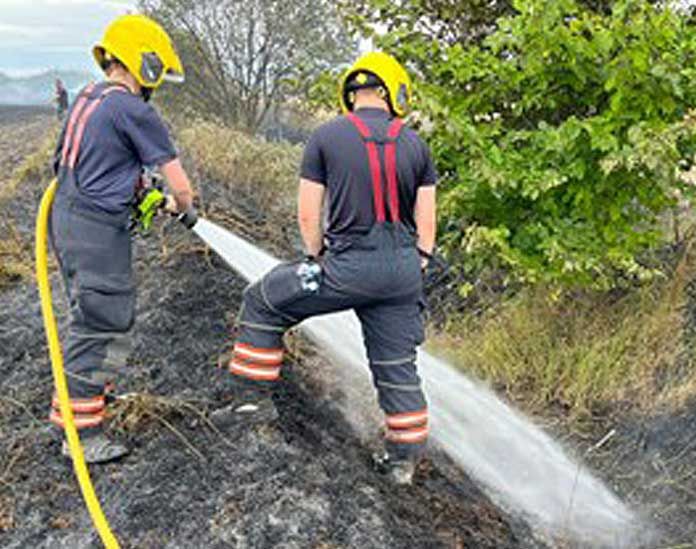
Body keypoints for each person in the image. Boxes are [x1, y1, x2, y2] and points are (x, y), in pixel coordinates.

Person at [220, 51, 437, 485]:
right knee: (396, 363)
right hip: (402, 274)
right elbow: (427, 221)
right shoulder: (416, 144)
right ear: (394, 92)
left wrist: (318, 257)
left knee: (262, 300)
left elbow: (307, 214)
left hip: (345, 268)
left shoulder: (326, 137)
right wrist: (418, 264)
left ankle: (251, 405)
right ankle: (402, 462)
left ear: (351, 94)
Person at [49, 14, 196, 463]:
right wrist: (187, 209)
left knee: (96, 311)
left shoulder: (88, 98)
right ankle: (80, 434)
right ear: (143, 63)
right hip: (96, 229)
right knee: (101, 318)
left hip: (71, 220)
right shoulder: (133, 108)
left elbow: (87, 164)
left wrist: (138, 193)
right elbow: (181, 183)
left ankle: (92, 398)